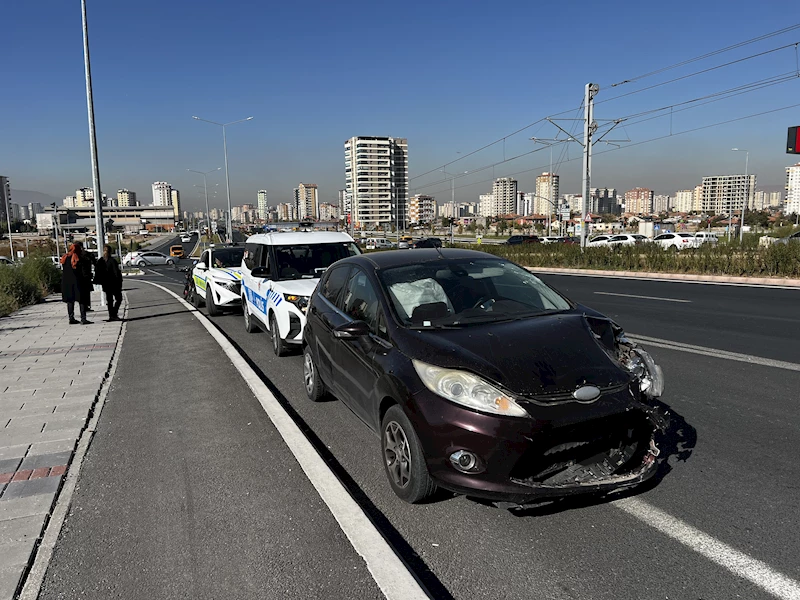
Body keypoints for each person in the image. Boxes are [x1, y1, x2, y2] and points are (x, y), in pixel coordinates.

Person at [60, 241, 93, 324]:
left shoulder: (65, 258)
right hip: (79, 283)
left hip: (67, 283)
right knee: (82, 300)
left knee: (70, 301)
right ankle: (83, 318)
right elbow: (84, 272)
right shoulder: (80, 258)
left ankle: (71, 318)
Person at [94, 245, 123, 321]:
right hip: (114, 283)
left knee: (109, 300)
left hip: (105, 283)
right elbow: (116, 273)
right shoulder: (112, 261)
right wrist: (120, 282)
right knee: (119, 299)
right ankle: (114, 313)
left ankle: (111, 315)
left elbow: (97, 271)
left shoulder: (100, 261)